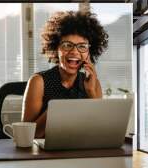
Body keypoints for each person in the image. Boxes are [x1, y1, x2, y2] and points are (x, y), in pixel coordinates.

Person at [21, 10, 109, 138]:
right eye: (67, 45)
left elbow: (99, 133)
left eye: (82, 46)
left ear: (89, 51)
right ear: (56, 48)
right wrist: (56, 110)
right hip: (45, 154)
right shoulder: (38, 82)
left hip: (79, 151)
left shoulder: (92, 84)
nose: (74, 52)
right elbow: (27, 136)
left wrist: (91, 93)